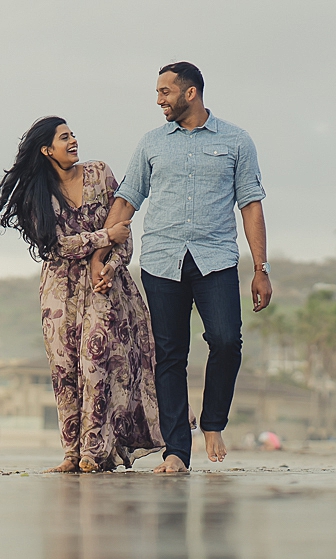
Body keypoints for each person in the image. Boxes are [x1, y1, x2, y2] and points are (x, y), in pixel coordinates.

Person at [93, 62, 272, 473]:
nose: (159, 100)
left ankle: (212, 423)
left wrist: (261, 267)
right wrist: (99, 252)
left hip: (216, 260)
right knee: (170, 355)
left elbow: (251, 204)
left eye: (164, 92)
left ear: (190, 93)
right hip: (161, 261)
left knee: (227, 341)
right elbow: (127, 199)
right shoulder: (152, 143)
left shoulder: (236, 141)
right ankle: (177, 451)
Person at [0, 116, 164, 473]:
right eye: (63, 137)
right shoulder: (36, 192)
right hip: (60, 292)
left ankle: (93, 451)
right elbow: (54, 247)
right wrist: (103, 239)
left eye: (73, 135)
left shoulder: (99, 173)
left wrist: (111, 266)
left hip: (106, 285)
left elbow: (124, 230)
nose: (72, 141)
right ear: (46, 149)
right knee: (64, 368)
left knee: (95, 361)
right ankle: (71, 454)